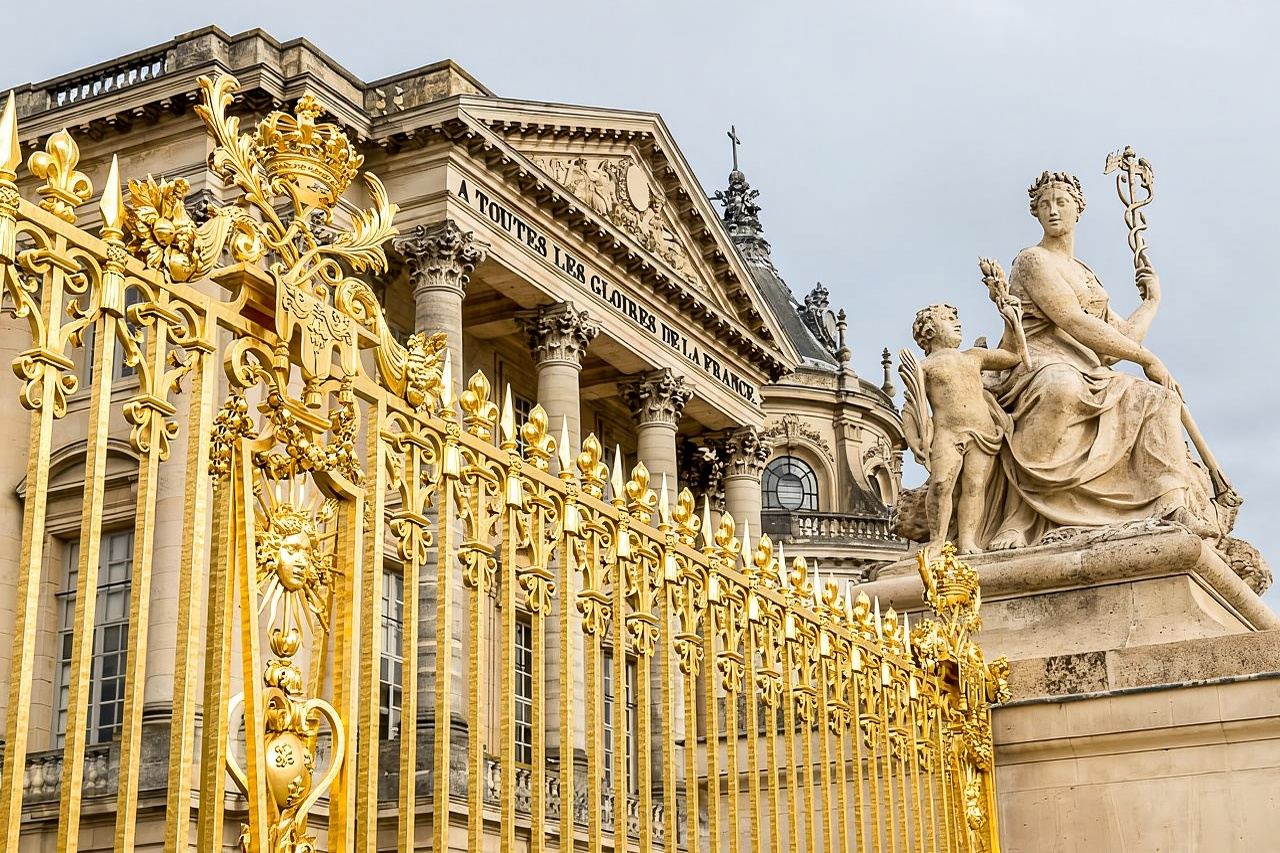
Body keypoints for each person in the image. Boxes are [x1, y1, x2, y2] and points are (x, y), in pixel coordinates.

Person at [983, 171, 1219, 548]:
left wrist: (1151, 303)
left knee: (1159, 399)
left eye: (1061, 202)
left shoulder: (1086, 276)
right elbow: (1072, 320)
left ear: (1078, 210)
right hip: (1038, 365)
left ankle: (1171, 503)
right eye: (1044, 204)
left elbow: (1114, 343)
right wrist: (1146, 358)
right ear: (1035, 213)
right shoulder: (1032, 261)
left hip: (1089, 369)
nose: (1052, 210)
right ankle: (1025, 513)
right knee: (1063, 386)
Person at [904, 301, 1027, 555]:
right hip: (947, 434)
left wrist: (1009, 319)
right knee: (940, 484)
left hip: (982, 431)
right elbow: (911, 406)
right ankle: (937, 540)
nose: (957, 323)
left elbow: (1013, 356)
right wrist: (915, 438)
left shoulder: (974, 356)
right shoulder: (924, 367)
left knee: (974, 486)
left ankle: (968, 540)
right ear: (929, 332)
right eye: (949, 319)